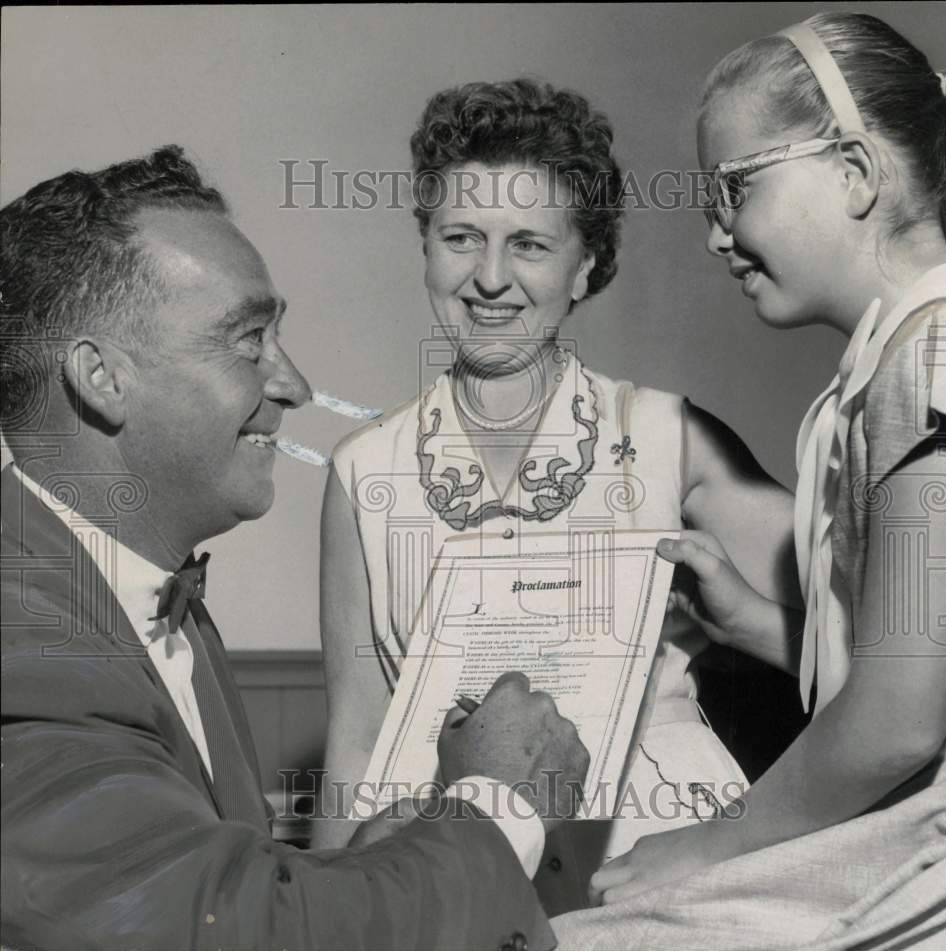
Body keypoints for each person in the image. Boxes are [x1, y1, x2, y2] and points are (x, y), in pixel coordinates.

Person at [0, 145, 592, 951]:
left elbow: (204, 890)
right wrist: (500, 803)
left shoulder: (142, 594)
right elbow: (245, 931)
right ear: (101, 377)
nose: (295, 386)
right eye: (249, 341)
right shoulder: (24, 641)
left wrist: (389, 854)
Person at [555, 12, 946, 949]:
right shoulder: (916, 350)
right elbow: (938, 656)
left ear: (855, 171)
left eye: (736, 189)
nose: (717, 236)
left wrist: (710, 842)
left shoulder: (941, 350)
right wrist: (756, 622)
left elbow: (898, 724)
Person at [316, 78, 801, 912]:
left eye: (530, 245)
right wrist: (322, 918)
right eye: (461, 237)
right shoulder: (363, 469)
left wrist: (752, 625)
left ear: (585, 266)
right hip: (447, 854)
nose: (489, 277)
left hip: (657, 849)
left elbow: (878, 647)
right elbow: (356, 745)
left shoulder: (672, 438)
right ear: (425, 245)